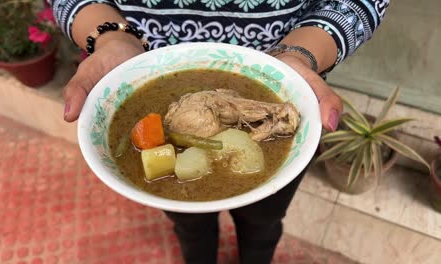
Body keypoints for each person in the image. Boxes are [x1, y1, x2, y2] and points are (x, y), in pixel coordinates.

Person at [50, 1, 389, 263]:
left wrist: (298, 54)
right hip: (138, 63)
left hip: (287, 80)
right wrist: (113, 37)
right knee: (190, 226)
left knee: (264, 222)